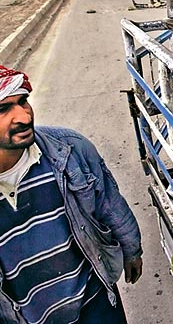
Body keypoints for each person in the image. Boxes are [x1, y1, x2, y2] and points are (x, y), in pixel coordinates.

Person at [0, 65, 143, 323]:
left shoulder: (69, 149)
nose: (23, 116)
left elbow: (109, 204)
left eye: (23, 101)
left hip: (94, 302)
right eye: (3, 109)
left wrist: (132, 249)